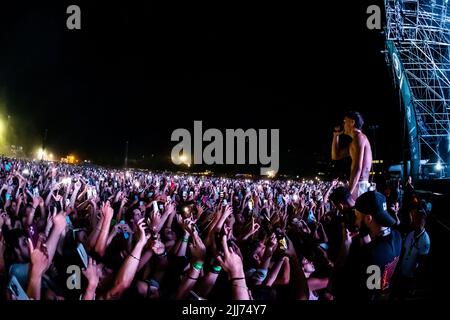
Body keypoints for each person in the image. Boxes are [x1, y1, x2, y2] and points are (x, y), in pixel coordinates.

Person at [337, 191, 402, 300]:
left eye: (358, 217)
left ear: (368, 218)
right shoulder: (397, 236)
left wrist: (346, 248)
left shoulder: (369, 254)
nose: (356, 222)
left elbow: (343, 285)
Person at [331, 111, 373, 200]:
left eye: (345, 121)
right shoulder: (355, 142)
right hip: (359, 185)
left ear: (352, 122)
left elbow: (357, 168)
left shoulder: (359, 138)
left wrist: (348, 195)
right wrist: (336, 136)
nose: (343, 124)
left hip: (359, 185)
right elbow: (335, 156)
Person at [394, 208, 430, 299]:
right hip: (402, 271)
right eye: (414, 218)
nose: (413, 221)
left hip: (410, 277)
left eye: (417, 219)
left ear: (423, 221)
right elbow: (404, 251)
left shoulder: (425, 241)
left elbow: (421, 263)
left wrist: (414, 283)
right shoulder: (411, 234)